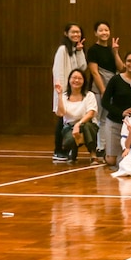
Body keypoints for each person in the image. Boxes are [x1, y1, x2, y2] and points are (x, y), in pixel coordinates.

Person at [100, 52, 131, 167]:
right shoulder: (115, 80)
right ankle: (107, 152)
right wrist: (121, 113)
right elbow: (104, 102)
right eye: (129, 61)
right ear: (124, 64)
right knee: (112, 162)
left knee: (127, 158)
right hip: (115, 122)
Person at [52, 24, 87, 162]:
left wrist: (79, 51)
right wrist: (62, 92)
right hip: (64, 91)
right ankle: (58, 150)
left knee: (71, 120)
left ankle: (68, 150)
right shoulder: (63, 49)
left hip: (74, 90)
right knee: (62, 120)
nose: (76, 35)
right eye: (73, 32)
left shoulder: (74, 49)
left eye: (78, 32)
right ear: (66, 33)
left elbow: (82, 68)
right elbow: (59, 71)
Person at [55, 69, 98, 163]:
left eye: (80, 78)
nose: (77, 80)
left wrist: (78, 124)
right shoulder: (64, 96)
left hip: (87, 124)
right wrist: (59, 95)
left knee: (87, 127)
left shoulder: (89, 95)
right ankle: (72, 151)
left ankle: (93, 153)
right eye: (74, 78)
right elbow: (60, 113)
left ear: (84, 81)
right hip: (69, 127)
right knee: (68, 141)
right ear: (69, 80)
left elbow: (91, 113)